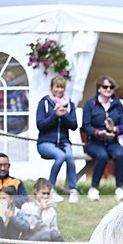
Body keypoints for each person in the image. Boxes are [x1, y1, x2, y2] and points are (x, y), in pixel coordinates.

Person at [82, 75, 123, 202]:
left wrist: (114, 129)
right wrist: (98, 132)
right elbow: (85, 126)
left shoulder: (117, 104)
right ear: (99, 89)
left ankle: (119, 187)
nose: (108, 89)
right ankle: (94, 188)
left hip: (112, 140)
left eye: (111, 87)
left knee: (119, 155)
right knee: (102, 156)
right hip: (94, 141)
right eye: (105, 87)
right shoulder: (90, 104)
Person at [36, 75, 79, 203]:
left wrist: (64, 116)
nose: (59, 90)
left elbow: (74, 126)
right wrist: (55, 115)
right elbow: (40, 125)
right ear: (51, 88)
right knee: (61, 156)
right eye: (57, 87)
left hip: (64, 142)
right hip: (45, 142)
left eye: (62, 87)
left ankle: (73, 190)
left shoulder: (69, 104)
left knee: (70, 157)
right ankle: (50, 189)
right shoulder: (44, 103)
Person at [19, 178, 71, 244]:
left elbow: (55, 229)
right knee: (45, 231)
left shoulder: (51, 210)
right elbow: (31, 227)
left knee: (53, 232)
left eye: (48, 193)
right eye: (43, 193)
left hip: (46, 243)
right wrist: (39, 210)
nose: (46, 196)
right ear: (36, 191)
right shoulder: (26, 207)